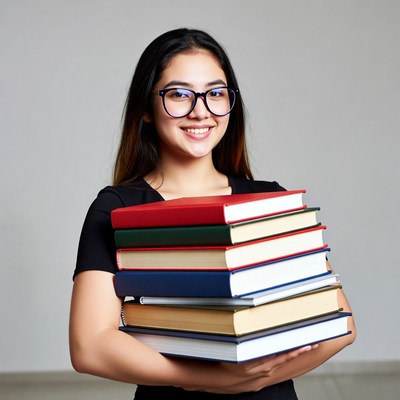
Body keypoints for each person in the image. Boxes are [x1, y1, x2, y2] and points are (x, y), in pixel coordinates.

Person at [69, 28, 356, 399]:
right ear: (146, 109)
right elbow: (90, 345)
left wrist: (256, 379)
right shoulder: (117, 208)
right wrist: (209, 379)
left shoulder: (271, 200)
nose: (201, 110)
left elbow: (341, 323)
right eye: (179, 94)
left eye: (215, 93)